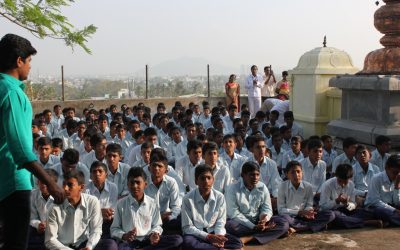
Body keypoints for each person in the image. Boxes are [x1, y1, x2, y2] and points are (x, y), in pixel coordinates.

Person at [0, 33, 64, 250]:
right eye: (29, 61)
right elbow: (20, 149)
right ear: (19, 61)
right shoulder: (11, 93)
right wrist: (50, 182)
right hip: (12, 183)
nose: (29, 67)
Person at [110, 167, 183, 250]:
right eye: (132, 183)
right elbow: (114, 229)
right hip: (130, 242)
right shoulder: (121, 204)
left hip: (148, 240)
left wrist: (154, 234)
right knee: (122, 248)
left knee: (177, 240)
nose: (134, 186)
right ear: (127, 184)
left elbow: (157, 225)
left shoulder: (152, 203)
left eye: (138, 182)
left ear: (145, 184)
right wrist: (124, 235)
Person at [45, 170, 117, 249]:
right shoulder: (54, 207)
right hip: (63, 247)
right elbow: (50, 240)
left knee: (110, 245)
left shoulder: (92, 202)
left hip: (83, 244)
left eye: (70, 185)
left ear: (81, 187)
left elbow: (96, 230)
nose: (65, 188)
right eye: (64, 185)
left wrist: (89, 247)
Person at [225, 161, 289, 245]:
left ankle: (249, 238)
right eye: (251, 175)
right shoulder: (232, 188)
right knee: (230, 226)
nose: (255, 178)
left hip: (258, 222)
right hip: (241, 223)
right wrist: (253, 227)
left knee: (283, 223)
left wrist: (263, 219)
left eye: (257, 175)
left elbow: (267, 208)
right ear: (242, 175)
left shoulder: (262, 187)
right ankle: (266, 233)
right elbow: (234, 214)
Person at [181, 164, 243, 249]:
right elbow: (187, 227)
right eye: (202, 178)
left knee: (237, 242)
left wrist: (218, 237)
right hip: (195, 234)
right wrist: (208, 237)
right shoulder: (187, 198)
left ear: (213, 180)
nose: (206, 181)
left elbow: (221, 221)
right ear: (196, 181)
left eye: (209, 178)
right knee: (188, 242)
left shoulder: (219, 197)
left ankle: (210, 247)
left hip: (213, 231)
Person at [278, 161, 335, 233]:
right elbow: (281, 210)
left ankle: (297, 229)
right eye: (292, 172)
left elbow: (309, 204)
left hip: (304, 217)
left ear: (302, 173)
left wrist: (309, 212)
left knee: (330, 214)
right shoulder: (282, 187)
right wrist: (299, 212)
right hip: (291, 216)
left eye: (298, 172)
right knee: (284, 219)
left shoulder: (308, 187)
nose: (296, 175)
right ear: (287, 174)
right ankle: (313, 226)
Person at [319, 164, 382, 229]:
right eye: (340, 181)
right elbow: (323, 207)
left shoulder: (351, 184)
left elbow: (354, 203)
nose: (342, 184)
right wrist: (336, 201)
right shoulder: (327, 185)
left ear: (350, 178)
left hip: (345, 211)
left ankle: (351, 221)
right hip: (333, 211)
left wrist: (347, 204)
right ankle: (365, 223)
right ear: (336, 176)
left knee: (367, 212)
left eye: (345, 182)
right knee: (334, 216)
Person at [364, 154, 400, 226]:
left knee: (391, 213)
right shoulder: (376, 179)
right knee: (383, 212)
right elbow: (375, 202)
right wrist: (394, 210)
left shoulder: (398, 179)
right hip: (376, 208)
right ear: (386, 168)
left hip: (392, 207)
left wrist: (397, 187)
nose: (397, 176)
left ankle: (390, 222)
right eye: (394, 172)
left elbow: (397, 202)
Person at [85, 161, 118, 239]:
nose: (97, 174)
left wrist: (98, 212)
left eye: (100, 171)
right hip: (90, 224)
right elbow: (85, 212)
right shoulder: (86, 189)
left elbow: (111, 212)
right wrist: (100, 213)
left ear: (106, 175)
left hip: (107, 223)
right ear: (90, 176)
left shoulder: (113, 187)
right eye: (94, 172)